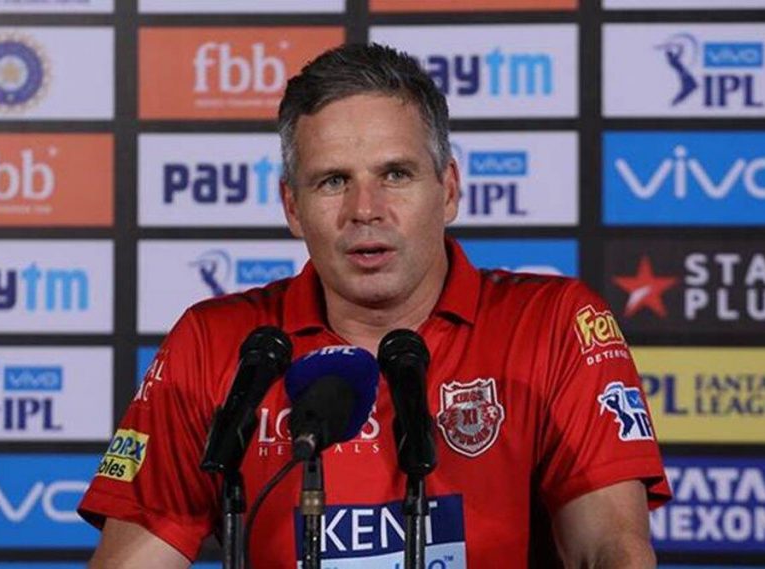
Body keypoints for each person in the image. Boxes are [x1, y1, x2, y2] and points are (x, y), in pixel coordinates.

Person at [79, 42, 670, 568]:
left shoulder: (554, 324)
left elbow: (608, 549)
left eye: (395, 174)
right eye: (333, 181)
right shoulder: (218, 343)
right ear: (292, 207)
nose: (365, 210)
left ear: (449, 190)